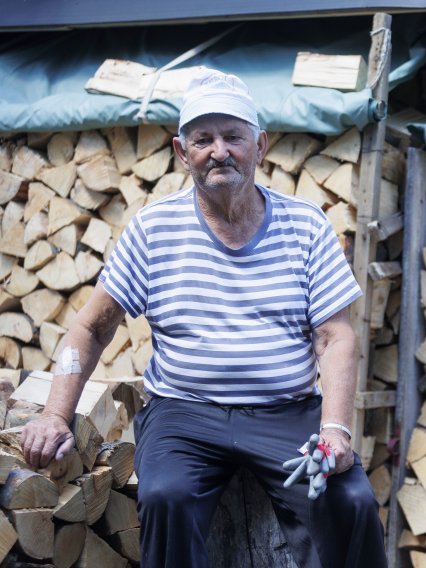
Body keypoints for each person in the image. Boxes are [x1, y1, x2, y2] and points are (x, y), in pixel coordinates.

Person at [20, 69, 388, 568]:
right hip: (184, 413)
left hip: (287, 411)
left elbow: (335, 337)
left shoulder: (306, 225)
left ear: (259, 146)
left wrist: (336, 430)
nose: (219, 151)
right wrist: (53, 415)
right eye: (203, 139)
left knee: (349, 501)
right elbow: (92, 326)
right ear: (180, 151)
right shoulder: (153, 229)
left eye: (233, 137)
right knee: (166, 496)